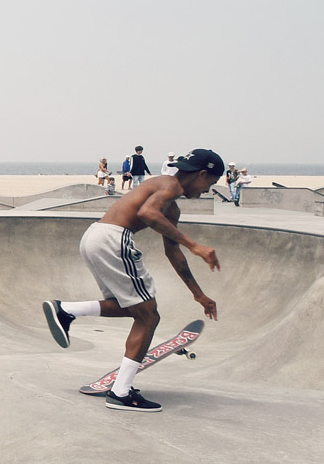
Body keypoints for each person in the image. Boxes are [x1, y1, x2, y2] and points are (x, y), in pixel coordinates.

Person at [41, 148, 226, 413]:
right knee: (149, 317)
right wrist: (195, 245)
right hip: (115, 239)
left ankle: (67, 311)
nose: (208, 189)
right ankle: (121, 392)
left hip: (95, 237)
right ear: (201, 174)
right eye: (211, 183)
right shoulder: (169, 185)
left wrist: (198, 294)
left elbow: (173, 253)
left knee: (133, 308)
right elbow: (147, 214)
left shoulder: (170, 206)